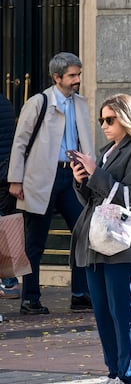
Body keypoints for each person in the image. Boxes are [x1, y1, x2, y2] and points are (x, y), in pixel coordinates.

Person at [69, 93, 131, 384]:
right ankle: (113, 374)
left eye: (110, 119)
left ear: (126, 118)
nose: (104, 125)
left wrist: (96, 173)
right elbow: (93, 200)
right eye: (101, 119)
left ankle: (128, 380)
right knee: (103, 312)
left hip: (121, 242)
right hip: (95, 241)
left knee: (122, 311)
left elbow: (130, 196)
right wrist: (82, 180)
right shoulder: (106, 152)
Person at [6, 53, 93, 315]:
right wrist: (15, 180)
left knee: (83, 233)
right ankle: (30, 299)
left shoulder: (80, 103)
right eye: (72, 75)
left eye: (78, 74)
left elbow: (84, 141)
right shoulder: (39, 102)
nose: (77, 80)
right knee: (35, 242)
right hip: (42, 177)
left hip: (72, 177)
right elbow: (20, 142)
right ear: (57, 77)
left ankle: (80, 294)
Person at [0, 94, 17, 300]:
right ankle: (10, 281)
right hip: (6, 172)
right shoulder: (5, 103)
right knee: (6, 226)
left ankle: (10, 281)